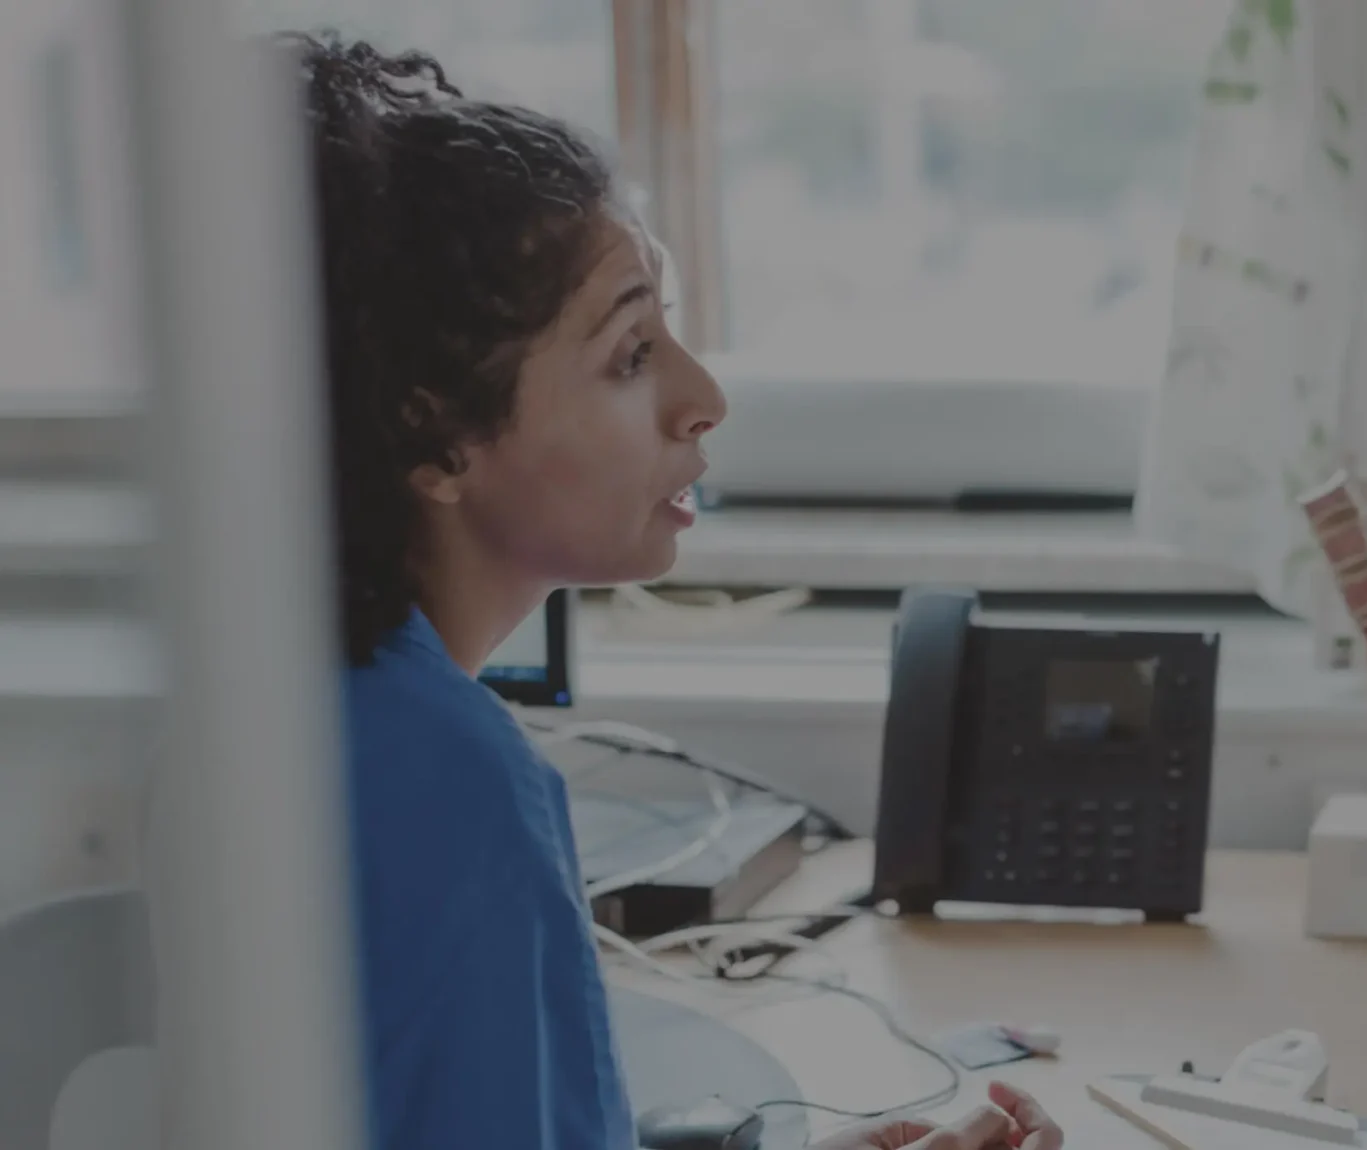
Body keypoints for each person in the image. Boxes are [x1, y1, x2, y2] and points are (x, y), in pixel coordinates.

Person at [295, 31, 1068, 1150]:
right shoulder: (450, 784)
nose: (702, 396)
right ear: (436, 434)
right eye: (628, 353)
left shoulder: (314, 709)